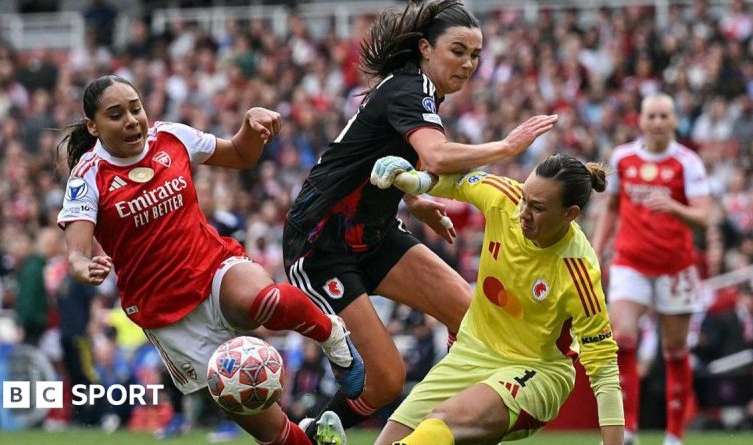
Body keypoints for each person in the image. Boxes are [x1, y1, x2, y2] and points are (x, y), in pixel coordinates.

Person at [282, 0, 557, 435]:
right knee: (387, 378)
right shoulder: (411, 89)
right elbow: (436, 155)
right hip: (321, 243)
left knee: (472, 318)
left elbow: (382, 159)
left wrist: (414, 201)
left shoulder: (420, 91)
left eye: (475, 55)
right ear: (425, 48)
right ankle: (309, 433)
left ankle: (435, 425)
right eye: (458, 50)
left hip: (373, 234)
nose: (468, 63)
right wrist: (507, 147)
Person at [56, 75, 363, 445]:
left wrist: (250, 126)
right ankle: (310, 438)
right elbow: (76, 249)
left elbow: (238, 154)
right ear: (93, 126)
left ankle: (334, 337)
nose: (132, 120)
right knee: (275, 433)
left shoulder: (170, 137)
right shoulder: (87, 176)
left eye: (136, 108)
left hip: (213, 268)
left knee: (264, 300)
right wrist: (81, 265)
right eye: (116, 114)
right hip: (168, 315)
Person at [369, 153, 624, 445]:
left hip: (536, 372)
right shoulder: (505, 198)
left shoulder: (578, 271)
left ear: (570, 214)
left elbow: (604, 370)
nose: (523, 212)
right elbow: (456, 181)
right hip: (472, 353)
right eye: (525, 198)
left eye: (537, 207)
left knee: (437, 428)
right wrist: (413, 180)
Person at [592, 93, 711, 445]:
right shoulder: (623, 158)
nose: (658, 122)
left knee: (674, 350)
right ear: (640, 120)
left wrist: (674, 207)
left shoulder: (687, 163)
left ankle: (674, 435)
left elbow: (704, 216)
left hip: (675, 266)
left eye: (664, 116)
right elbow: (612, 207)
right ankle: (627, 429)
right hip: (631, 261)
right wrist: (597, 250)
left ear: (674, 121)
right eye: (652, 116)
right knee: (623, 338)